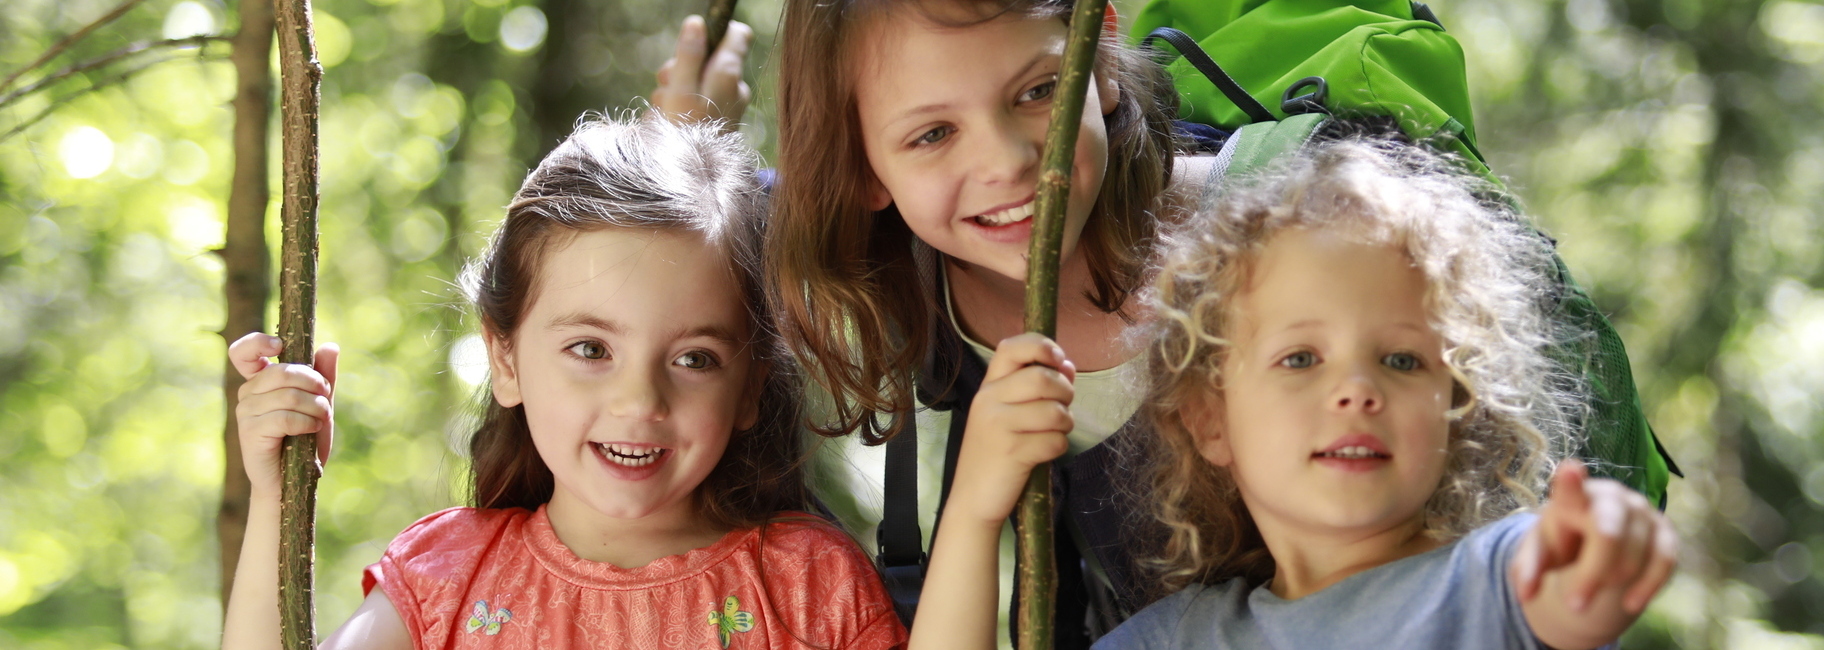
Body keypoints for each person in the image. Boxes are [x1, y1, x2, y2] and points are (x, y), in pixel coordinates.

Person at [217, 113, 906, 650]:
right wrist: (279, 497)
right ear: (506, 357)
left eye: (694, 358)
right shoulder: (446, 579)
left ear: (752, 384)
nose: (640, 401)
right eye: (590, 348)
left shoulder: (809, 584)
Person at [653, 0, 1203, 645]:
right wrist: (680, 136)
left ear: (1101, 61)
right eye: (933, 134)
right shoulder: (896, 267)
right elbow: (712, 229)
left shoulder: (1266, 240)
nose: (1006, 161)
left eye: (1039, 90)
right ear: (859, 164)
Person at [1057, 138, 1668, 649]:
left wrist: (1598, 550)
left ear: (1455, 406)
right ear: (1209, 419)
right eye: (1300, 359)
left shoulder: (1500, 582)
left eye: (1402, 360)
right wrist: (978, 507)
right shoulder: (1176, 638)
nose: (1356, 391)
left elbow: (1563, 590)